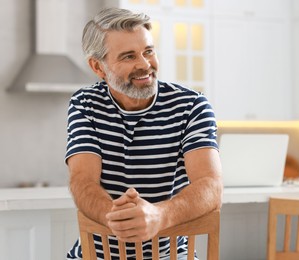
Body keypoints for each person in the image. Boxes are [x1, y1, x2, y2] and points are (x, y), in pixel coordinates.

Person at [65, 7, 223, 260]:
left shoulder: (192, 105)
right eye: (128, 56)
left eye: (148, 51)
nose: (144, 64)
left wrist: (160, 215)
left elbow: (211, 185)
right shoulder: (85, 103)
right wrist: (117, 217)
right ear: (98, 67)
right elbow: (82, 181)